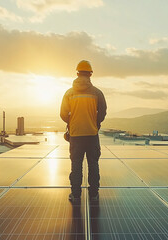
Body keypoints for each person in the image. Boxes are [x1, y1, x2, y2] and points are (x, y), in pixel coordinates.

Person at [60, 60, 107, 202]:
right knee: (93, 164)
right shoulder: (97, 93)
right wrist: (95, 123)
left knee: (76, 164)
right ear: (90, 74)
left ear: (77, 73)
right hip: (92, 135)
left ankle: (75, 196)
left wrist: (72, 123)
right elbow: (103, 112)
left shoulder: (69, 93)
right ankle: (93, 195)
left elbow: (63, 114)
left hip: (75, 135)